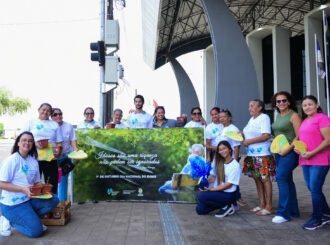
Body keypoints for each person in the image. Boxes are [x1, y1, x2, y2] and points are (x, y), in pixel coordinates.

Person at [0, 132, 59, 238]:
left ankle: (31, 219)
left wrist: (44, 187)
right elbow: (1, 184)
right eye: (24, 140)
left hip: (28, 199)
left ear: (33, 144)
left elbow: (36, 182)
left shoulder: (33, 161)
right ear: (18, 143)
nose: (27, 143)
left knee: (53, 199)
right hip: (12, 205)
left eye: (30, 141)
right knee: (36, 231)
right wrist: (22, 189)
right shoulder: (11, 160)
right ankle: (9, 220)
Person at [294, 95, 330, 230]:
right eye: (304, 105)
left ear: (317, 104)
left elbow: (328, 140)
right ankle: (327, 213)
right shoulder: (305, 121)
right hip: (306, 159)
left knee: (315, 188)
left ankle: (317, 219)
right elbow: (305, 139)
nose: (307, 107)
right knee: (313, 188)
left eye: (310, 104)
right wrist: (299, 148)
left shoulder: (322, 118)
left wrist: (312, 153)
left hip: (320, 160)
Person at [271, 91, 302, 224]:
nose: (281, 103)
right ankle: (294, 211)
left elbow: (299, 136)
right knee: (288, 180)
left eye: (284, 100)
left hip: (290, 152)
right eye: (278, 101)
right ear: (276, 104)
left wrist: (287, 150)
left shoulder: (294, 115)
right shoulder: (278, 115)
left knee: (281, 177)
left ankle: (283, 213)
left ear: (289, 101)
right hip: (279, 153)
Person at [242, 99, 275, 216]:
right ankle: (262, 204)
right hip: (252, 154)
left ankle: (269, 206)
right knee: (257, 179)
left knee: (265, 179)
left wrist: (249, 141)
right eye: (249, 106)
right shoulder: (251, 119)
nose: (249, 108)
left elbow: (266, 135)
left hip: (262, 154)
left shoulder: (264, 117)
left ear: (260, 107)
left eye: (252, 105)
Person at [20, 103, 63, 194]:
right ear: (38, 110)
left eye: (48, 110)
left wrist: (57, 152)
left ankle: (53, 204)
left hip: (50, 159)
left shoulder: (54, 124)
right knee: (33, 183)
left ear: (50, 113)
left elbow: (59, 142)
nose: (45, 112)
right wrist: (35, 144)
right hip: (33, 158)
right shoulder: (31, 122)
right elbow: (22, 137)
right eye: (43, 109)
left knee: (52, 183)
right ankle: (34, 203)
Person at [196, 141, 241, 218]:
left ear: (230, 149)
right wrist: (202, 180)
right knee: (200, 210)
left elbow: (229, 185)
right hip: (218, 192)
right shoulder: (217, 161)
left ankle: (228, 205)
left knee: (201, 196)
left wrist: (212, 190)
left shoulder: (235, 165)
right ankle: (223, 206)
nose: (222, 151)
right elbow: (212, 178)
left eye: (224, 148)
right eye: (220, 150)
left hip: (228, 195)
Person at [215, 109, 246, 208]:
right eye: (220, 117)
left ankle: (235, 201)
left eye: (224, 117)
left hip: (231, 159)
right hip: (223, 159)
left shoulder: (233, 129)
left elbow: (237, 146)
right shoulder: (222, 128)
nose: (222, 119)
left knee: (232, 181)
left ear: (229, 118)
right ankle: (231, 201)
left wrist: (235, 161)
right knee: (226, 179)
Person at [51, 108, 79, 202]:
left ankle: (62, 204)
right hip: (52, 158)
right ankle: (53, 203)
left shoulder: (68, 126)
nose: (58, 116)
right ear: (51, 116)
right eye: (55, 114)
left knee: (63, 180)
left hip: (64, 157)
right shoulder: (49, 126)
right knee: (53, 181)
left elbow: (72, 139)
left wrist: (75, 149)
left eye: (60, 114)